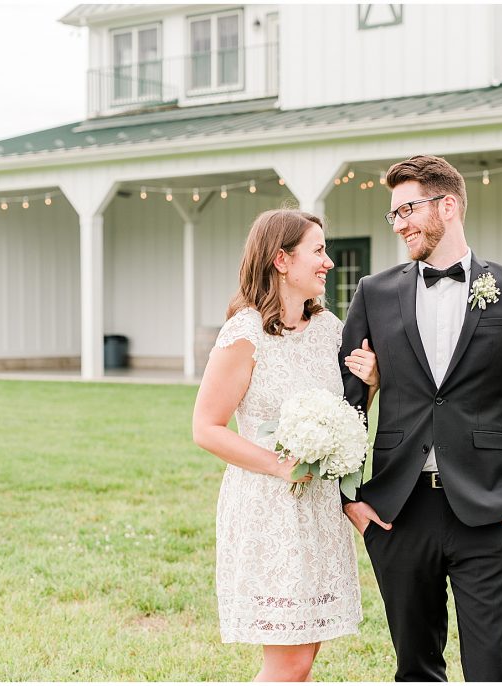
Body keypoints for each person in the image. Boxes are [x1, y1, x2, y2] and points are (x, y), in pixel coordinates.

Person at [339, 155, 502, 681]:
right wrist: (349, 499)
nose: (398, 225)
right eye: (392, 215)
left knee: (493, 669)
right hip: (399, 511)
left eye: (407, 210)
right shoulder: (374, 292)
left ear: (449, 205)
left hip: (490, 510)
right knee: (415, 669)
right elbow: (346, 403)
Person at [192, 209, 379, 682]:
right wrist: (278, 467)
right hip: (268, 509)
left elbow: (345, 417)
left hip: (317, 509)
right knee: (289, 663)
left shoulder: (330, 331)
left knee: (304, 658)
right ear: (280, 259)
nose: (329, 262)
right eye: (317, 251)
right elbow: (206, 427)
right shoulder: (244, 334)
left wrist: (371, 385)